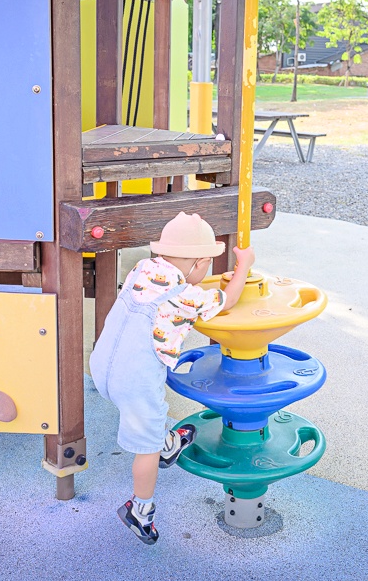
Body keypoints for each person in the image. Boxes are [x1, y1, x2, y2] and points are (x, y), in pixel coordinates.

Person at [90, 212, 255, 544]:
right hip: (134, 379)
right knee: (146, 447)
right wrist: (244, 266)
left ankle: (168, 445)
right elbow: (231, 298)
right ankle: (140, 510)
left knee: (153, 417)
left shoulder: (142, 269)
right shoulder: (187, 296)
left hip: (101, 365)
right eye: (207, 263)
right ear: (199, 263)